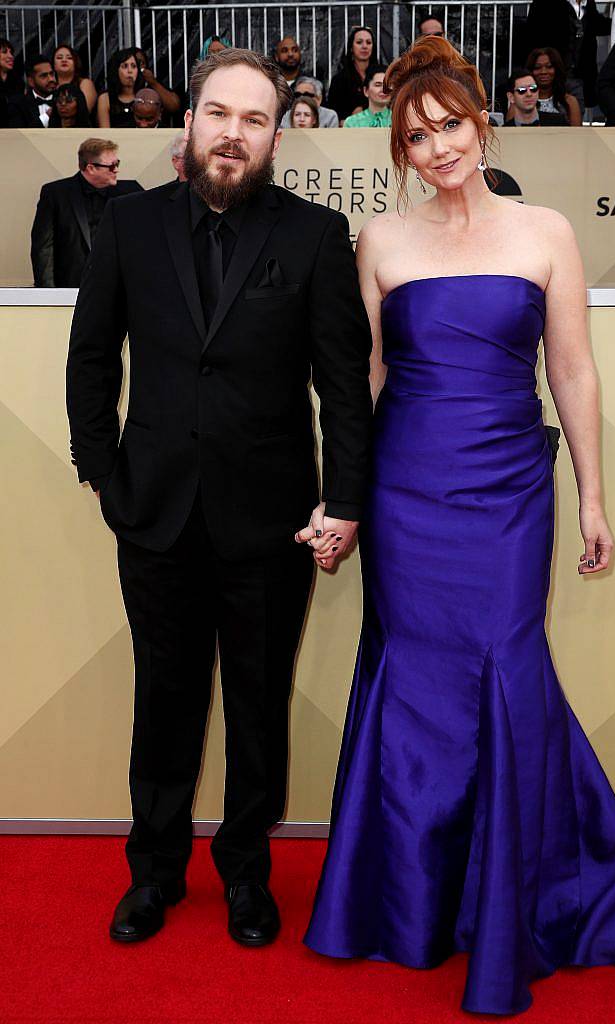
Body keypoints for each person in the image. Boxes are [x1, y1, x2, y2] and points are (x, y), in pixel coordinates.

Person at [304, 34, 615, 1016]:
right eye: (415, 136)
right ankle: (413, 902)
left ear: (481, 123)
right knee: (417, 682)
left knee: (506, 668)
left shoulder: (546, 230)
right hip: (404, 489)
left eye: (448, 127)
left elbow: (571, 370)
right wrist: (339, 497)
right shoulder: (380, 243)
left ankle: (513, 900)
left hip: (511, 488)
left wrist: (592, 496)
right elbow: (364, 382)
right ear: (399, 151)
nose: (436, 148)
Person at [66, 46, 372, 948]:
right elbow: (91, 359)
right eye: (219, 114)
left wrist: (343, 499)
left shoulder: (313, 236)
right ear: (188, 120)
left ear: (276, 136)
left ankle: (246, 873)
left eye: (253, 119)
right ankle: (153, 872)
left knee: (255, 701)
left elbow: (343, 386)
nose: (233, 134)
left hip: (273, 522)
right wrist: (105, 475)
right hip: (152, 513)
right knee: (162, 700)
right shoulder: (127, 225)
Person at [31, 138, 141, 287]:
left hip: (118, 285)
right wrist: (48, 293)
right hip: (72, 285)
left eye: (117, 164)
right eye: (111, 166)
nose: (116, 170)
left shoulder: (131, 192)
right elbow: (43, 248)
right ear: (90, 168)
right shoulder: (56, 193)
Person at [524, 0, 611, 112]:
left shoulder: (588, 3)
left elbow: (597, 24)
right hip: (552, 75)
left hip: (579, 75)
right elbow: (533, 37)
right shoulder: (543, 3)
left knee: (576, 115)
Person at [327, 25, 377, 123]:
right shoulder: (339, 79)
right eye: (359, 42)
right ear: (351, 47)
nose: (364, 46)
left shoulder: (382, 74)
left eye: (369, 42)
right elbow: (334, 113)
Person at [526, 47, 582, 123]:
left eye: (549, 67)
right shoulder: (520, 102)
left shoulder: (570, 102)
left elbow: (577, 134)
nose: (543, 72)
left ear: (557, 69)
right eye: (537, 67)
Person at [504, 67, 570, 125]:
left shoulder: (558, 122)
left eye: (533, 88)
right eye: (522, 90)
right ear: (511, 97)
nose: (529, 94)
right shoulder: (504, 132)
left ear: (538, 91)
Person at [96, 47, 143, 128]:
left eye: (133, 66)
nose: (130, 71)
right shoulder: (105, 98)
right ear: (116, 70)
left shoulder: (144, 95)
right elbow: (104, 133)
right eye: (124, 66)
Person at [8, 55, 56, 127]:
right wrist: (46, 117)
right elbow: (19, 134)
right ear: (31, 81)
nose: (51, 79)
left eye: (51, 74)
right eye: (44, 76)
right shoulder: (18, 105)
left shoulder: (63, 100)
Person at [134, 48, 181, 122]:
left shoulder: (152, 84)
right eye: (133, 64)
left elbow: (174, 106)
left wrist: (153, 82)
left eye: (140, 63)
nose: (135, 68)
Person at [53, 44, 97, 115]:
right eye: (59, 58)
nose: (64, 60)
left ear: (75, 63)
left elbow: (84, 110)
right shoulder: (50, 87)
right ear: (53, 65)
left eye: (69, 58)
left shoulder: (84, 83)